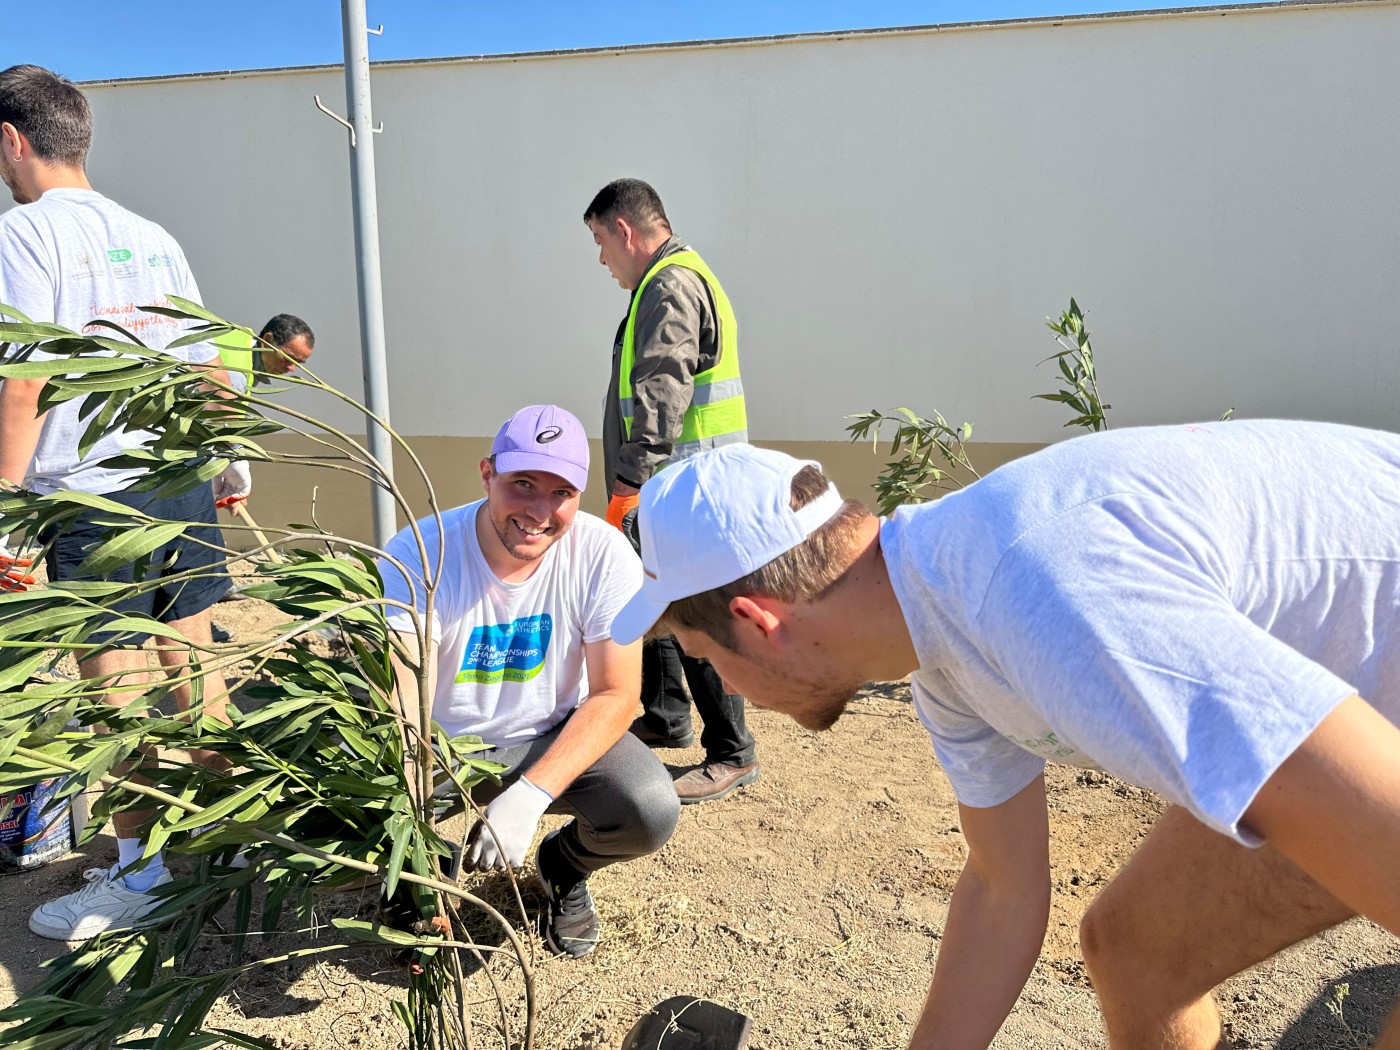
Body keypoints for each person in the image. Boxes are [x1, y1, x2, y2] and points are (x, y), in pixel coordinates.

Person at [609, 422, 1400, 1049]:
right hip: (1355, 695)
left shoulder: (1046, 602)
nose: (727, 692)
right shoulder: (940, 637)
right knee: (1138, 949)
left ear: (759, 623)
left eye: (707, 658)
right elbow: (1001, 891)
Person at [0, 64, 245, 940]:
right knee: (196, 663)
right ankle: (236, 839)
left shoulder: (26, 236)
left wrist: (7, 512)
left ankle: (138, 875)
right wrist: (224, 470)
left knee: (116, 689)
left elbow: (23, 385)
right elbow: (214, 369)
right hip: (178, 485)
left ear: (12, 140)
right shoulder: (153, 236)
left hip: (94, 501)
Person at [378, 404, 679, 958]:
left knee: (648, 807)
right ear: (487, 474)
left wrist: (529, 796)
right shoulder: (419, 552)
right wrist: (410, 839)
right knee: (331, 817)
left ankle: (561, 867)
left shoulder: (604, 554)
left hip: (549, 735)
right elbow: (402, 705)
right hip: (441, 750)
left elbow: (617, 694)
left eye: (561, 492)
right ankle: (427, 869)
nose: (540, 511)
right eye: (522, 483)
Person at [582, 177, 759, 804]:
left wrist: (630, 477)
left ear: (626, 231)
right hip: (673, 481)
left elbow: (662, 385)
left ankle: (733, 752)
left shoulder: (671, 284)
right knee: (647, 593)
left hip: (682, 482)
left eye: (602, 242)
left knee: (693, 612)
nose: (602, 259)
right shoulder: (671, 280)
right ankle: (665, 714)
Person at [214, 312, 316, 394]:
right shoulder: (238, 377)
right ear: (267, 340)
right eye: (288, 358)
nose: (291, 368)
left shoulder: (235, 335)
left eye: (298, 363)